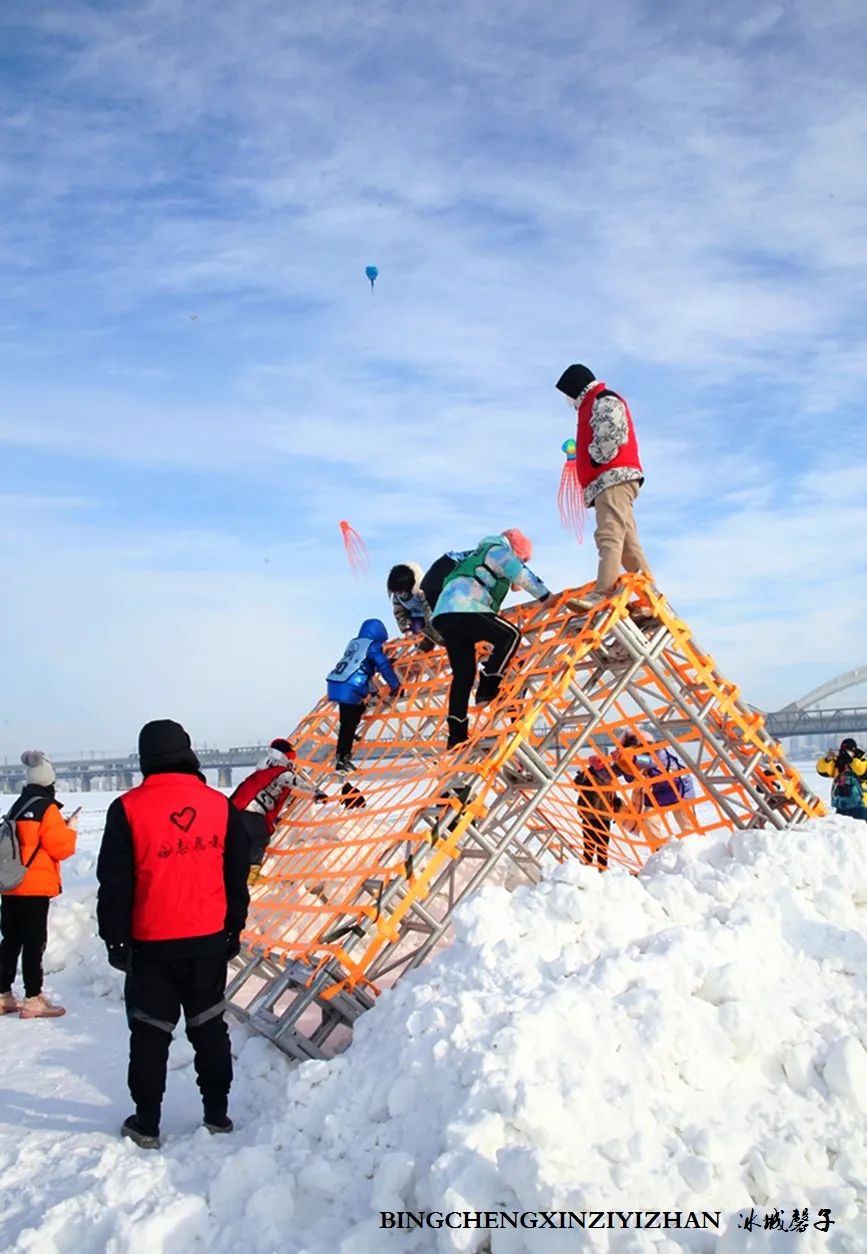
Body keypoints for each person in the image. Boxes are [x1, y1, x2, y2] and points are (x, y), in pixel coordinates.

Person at [96, 720, 250, 1149]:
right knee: (209, 1028)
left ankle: (146, 1122)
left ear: (146, 757)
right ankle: (217, 1115)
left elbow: (114, 882)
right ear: (188, 752)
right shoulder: (219, 806)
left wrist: (115, 937)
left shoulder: (127, 808)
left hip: (151, 944)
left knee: (149, 1033)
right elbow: (237, 874)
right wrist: (233, 926)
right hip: (207, 941)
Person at [431, 530, 550, 749]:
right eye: (523, 558)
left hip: (444, 616)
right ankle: (488, 684)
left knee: (463, 676)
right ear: (516, 551)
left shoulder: (473, 556)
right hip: (465, 607)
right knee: (511, 635)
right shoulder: (497, 550)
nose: (523, 562)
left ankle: (456, 736)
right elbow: (520, 573)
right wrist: (546, 596)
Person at [555, 363, 652, 610]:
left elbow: (613, 429)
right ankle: (649, 598)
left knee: (609, 535)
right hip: (609, 478)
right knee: (629, 545)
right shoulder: (592, 403)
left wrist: (596, 456)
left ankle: (603, 591)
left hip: (612, 477)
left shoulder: (602, 399)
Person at [0, 751, 77, 1019]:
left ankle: (3, 995)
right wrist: (71, 829)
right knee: (34, 942)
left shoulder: (17, 805)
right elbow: (60, 848)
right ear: (49, 780)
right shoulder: (48, 808)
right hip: (34, 886)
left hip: (10, 883)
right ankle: (34, 998)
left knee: (10, 940)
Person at [230, 738, 328, 884]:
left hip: (236, 811)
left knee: (241, 843)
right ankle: (251, 872)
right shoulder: (280, 772)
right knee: (260, 837)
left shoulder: (261, 773)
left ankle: (235, 871)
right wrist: (316, 792)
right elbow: (296, 782)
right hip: (252, 812)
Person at [326, 619, 401, 774]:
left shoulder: (356, 644)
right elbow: (384, 666)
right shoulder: (372, 647)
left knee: (353, 714)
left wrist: (373, 691)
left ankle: (347, 743)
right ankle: (342, 761)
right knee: (348, 724)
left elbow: (360, 669)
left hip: (338, 683)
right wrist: (395, 685)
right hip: (349, 687)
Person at [613, 733, 696, 842]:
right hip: (657, 796)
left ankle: (694, 850)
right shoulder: (632, 761)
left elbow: (653, 761)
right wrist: (599, 767)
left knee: (688, 827)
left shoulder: (658, 752)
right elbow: (626, 775)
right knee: (649, 822)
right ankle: (659, 851)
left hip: (681, 791)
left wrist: (633, 758)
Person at [573, 756, 623, 870]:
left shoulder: (610, 780)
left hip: (602, 815)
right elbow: (576, 785)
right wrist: (584, 774)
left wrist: (617, 805)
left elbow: (613, 796)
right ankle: (588, 869)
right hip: (591, 815)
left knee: (601, 847)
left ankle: (600, 869)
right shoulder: (588, 777)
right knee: (590, 845)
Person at [386, 562, 443, 651]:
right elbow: (399, 612)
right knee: (418, 631)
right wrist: (405, 628)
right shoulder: (398, 596)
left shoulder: (422, 590)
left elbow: (428, 609)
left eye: (400, 591)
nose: (399, 594)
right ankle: (423, 650)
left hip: (432, 613)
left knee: (437, 631)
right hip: (415, 616)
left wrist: (432, 630)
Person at [816, 738, 867, 821]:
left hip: (860, 805)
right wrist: (827, 759)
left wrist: (851, 761)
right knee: (842, 830)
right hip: (840, 804)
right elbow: (822, 770)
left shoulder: (862, 760)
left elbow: (862, 771)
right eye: (843, 751)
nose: (845, 753)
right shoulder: (839, 763)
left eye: (847, 751)